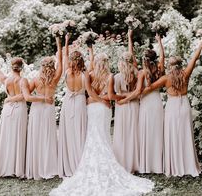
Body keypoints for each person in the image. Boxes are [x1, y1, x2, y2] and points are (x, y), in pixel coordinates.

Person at [49, 48, 154, 196]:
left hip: (91, 108)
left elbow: (90, 93)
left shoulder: (90, 74)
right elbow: (110, 96)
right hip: (103, 109)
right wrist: (104, 101)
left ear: (96, 63)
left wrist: (94, 99)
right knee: (103, 136)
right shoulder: (110, 76)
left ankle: (91, 165)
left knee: (92, 136)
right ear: (106, 63)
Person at [142, 39, 202, 177]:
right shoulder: (186, 73)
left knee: (172, 134)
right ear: (180, 64)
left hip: (172, 106)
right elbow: (194, 58)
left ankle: (175, 166)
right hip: (184, 105)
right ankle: (188, 165)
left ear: (170, 66)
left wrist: (135, 93)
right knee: (186, 134)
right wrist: (201, 45)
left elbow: (149, 88)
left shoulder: (166, 78)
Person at [58, 34, 106, 177]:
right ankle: (80, 162)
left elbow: (65, 56)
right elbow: (90, 91)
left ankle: (69, 163)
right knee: (81, 130)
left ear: (72, 61)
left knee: (69, 131)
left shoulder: (67, 71)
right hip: (79, 102)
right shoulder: (85, 74)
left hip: (67, 102)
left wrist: (66, 41)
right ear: (81, 61)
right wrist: (102, 100)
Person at [119, 34, 165, 174]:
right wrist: (159, 42)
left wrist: (124, 100)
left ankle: (147, 164)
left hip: (145, 104)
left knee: (145, 132)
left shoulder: (141, 73)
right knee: (158, 131)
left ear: (143, 60)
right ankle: (158, 164)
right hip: (157, 102)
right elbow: (163, 57)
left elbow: (139, 91)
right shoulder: (159, 69)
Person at [0, 46, 27, 178]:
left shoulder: (5, 79)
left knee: (7, 137)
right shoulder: (22, 80)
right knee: (18, 137)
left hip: (8, 110)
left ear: (11, 67)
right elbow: (24, 96)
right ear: (22, 67)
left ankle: (5, 166)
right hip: (19, 109)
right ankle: (17, 167)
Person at [24, 36, 62, 180]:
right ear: (52, 66)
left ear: (42, 66)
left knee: (37, 136)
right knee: (48, 136)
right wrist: (59, 43)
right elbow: (61, 64)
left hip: (37, 109)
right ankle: (49, 166)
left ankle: (36, 168)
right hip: (48, 108)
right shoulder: (55, 78)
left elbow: (27, 96)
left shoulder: (35, 80)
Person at [109, 29, 140, 173]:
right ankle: (135, 162)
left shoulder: (117, 77)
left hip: (122, 106)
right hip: (134, 104)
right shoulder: (137, 74)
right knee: (134, 133)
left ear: (121, 62)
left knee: (122, 133)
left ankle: (121, 162)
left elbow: (115, 94)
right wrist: (130, 38)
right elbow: (132, 58)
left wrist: (121, 98)